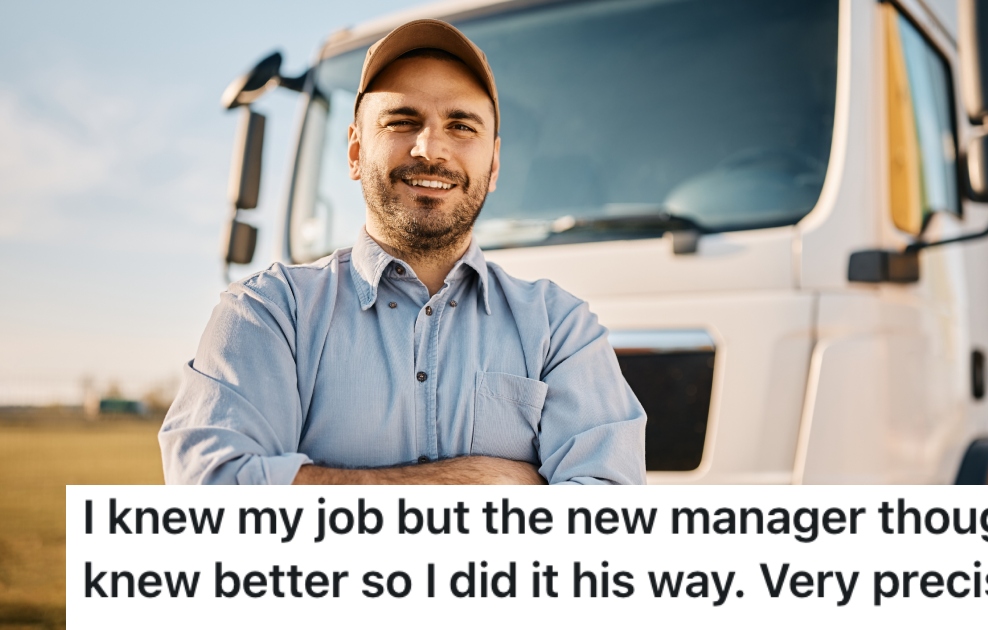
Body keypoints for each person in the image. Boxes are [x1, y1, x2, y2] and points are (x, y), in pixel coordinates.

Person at [159, 19, 647, 485]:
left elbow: (608, 515)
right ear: (355, 152)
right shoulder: (269, 313)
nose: (430, 149)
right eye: (402, 121)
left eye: (461, 126)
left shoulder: (560, 329)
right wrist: (485, 482)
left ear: (494, 163)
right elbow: (213, 497)